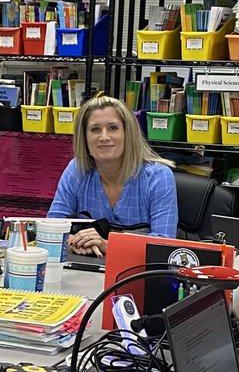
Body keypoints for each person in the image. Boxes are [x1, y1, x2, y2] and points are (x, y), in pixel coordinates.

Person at [47, 94, 178, 256]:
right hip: (84, 270)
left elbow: (164, 245)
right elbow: (51, 228)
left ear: (128, 133)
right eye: (95, 129)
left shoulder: (159, 177)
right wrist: (76, 242)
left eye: (113, 128)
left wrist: (108, 245)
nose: (104, 137)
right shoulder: (76, 170)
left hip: (137, 274)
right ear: (84, 138)